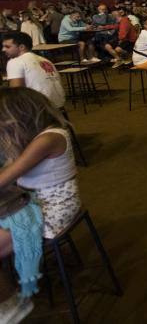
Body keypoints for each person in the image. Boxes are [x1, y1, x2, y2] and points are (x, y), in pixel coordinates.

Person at [0, 88, 82, 321]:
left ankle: (10, 307)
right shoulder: (37, 135)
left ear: (19, 116)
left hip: (56, 208)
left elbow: (7, 176)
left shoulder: (48, 138)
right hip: (35, 201)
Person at [2, 32, 66, 110]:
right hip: (59, 108)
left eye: (7, 47)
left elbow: (16, 93)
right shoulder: (46, 60)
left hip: (39, 110)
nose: (3, 49)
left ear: (22, 47)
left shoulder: (15, 61)